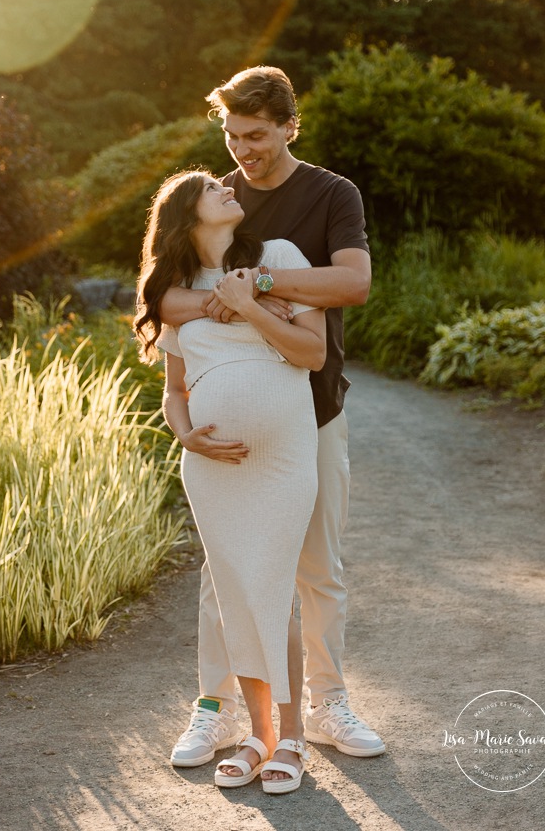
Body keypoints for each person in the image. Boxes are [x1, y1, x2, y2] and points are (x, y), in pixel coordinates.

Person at [162, 66, 386, 768]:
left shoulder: (329, 194)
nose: (242, 152)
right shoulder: (217, 199)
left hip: (312, 413)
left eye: (256, 136)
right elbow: (162, 295)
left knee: (317, 566)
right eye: (232, 136)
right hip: (223, 432)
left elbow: (351, 283)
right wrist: (221, 302)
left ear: (290, 126)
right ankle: (218, 711)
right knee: (220, 573)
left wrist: (256, 284)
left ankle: (327, 704)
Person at [133, 169, 327, 793]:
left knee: (272, 587)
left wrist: (247, 305)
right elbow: (173, 391)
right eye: (212, 188)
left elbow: (312, 353)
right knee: (238, 594)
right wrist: (186, 435)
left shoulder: (279, 260)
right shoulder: (178, 289)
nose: (228, 186)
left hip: (283, 456)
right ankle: (258, 734)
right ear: (187, 214)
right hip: (212, 467)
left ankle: (292, 737)